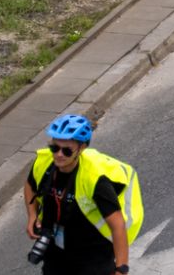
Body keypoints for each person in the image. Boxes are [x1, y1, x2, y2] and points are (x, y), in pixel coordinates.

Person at [23, 114, 139, 275]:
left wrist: (121, 269)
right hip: (56, 249)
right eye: (55, 148)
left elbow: (117, 225)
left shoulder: (95, 179)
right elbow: (30, 185)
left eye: (66, 150)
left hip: (91, 254)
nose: (58, 154)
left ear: (82, 148)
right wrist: (32, 215)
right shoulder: (43, 162)